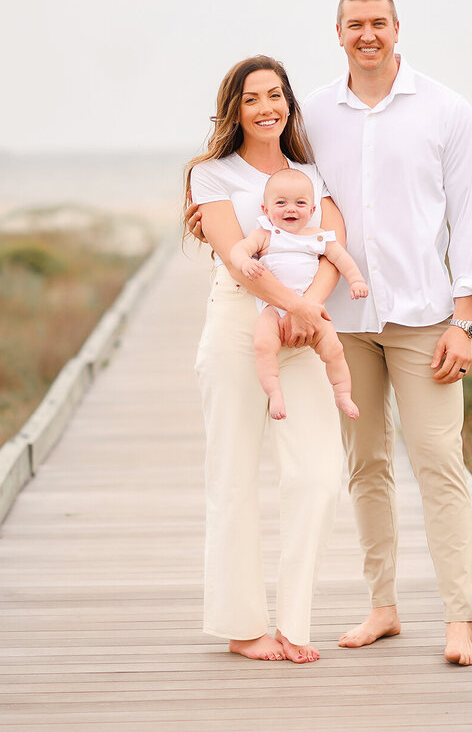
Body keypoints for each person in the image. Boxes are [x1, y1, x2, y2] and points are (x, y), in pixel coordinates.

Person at [302, 0, 472, 666]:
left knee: (440, 462)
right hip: (345, 322)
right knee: (367, 465)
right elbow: (296, 205)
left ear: (396, 27)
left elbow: (470, 218)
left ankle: (458, 620)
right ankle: (382, 607)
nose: (367, 35)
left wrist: (464, 323)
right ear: (338, 32)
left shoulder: (447, 110)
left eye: (377, 23)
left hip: (424, 319)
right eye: (355, 24)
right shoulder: (314, 114)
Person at [184, 55, 346, 664]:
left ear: (289, 103)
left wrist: (307, 310)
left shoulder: (310, 173)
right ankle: (244, 626)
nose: (267, 107)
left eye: (276, 95)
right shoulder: (213, 175)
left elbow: (335, 247)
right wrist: (294, 310)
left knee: (318, 475)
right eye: (252, 98)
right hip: (237, 327)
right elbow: (237, 258)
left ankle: (297, 625)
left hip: (304, 330)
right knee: (233, 475)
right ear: (235, 109)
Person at [230, 168, 369, 421]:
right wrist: (244, 262)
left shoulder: (318, 237)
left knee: (334, 350)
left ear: (313, 211)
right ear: (266, 209)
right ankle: (274, 393)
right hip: (274, 309)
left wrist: (356, 279)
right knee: (263, 345)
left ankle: (342, 394)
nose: (290, 209)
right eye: (281, 203)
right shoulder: (264, 234)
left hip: (312, 308)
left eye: (300, 203)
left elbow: (341, 259)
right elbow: (238, 250)